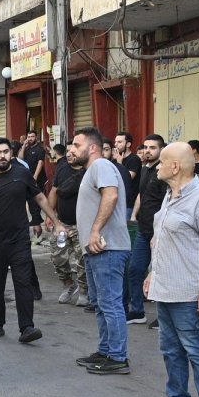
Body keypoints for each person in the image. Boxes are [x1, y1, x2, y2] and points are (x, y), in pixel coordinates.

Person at [142, 142, 199, 397]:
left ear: (175, 167)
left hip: (189, 293)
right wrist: (152, 273)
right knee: (170, 350)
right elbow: (162, 240)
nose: (157, 166)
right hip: (165, 288)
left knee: (198, 352)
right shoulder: (169, 195)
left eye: (162, 161)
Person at [0, 138, 59, 343]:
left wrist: (56, 221)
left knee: (23, 282)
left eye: (6, 152)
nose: (3, 156)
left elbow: (40, 198)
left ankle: (27, 327)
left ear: (11, 153)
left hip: (19, 239)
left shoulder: (22, 174)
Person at [73, 127, 133, 375]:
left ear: (93, 147)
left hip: (107, 248)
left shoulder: (101, 166)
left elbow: (111, 196)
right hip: (96, 250)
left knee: (110, 303)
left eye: (77, 145)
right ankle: (106, 350)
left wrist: (95, 231)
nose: (72, 150)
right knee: (100, 303)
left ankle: (118, 357)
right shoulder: (92, 171)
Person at [127, 134, 166, 326]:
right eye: (146, 147)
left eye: (153, 148)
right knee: (135, 270)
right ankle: (137, 311)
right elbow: (142, 197)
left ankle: (165, 318)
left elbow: (168, 203)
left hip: (161, 233)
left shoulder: (163, 173)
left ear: (161, 150)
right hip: (143, 230)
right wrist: (134, 215)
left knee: (161, 274)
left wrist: (160, 230)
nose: (148, 151)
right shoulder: (145, 169)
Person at [50, 141, 87, 307]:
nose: (70, 155)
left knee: (83, 260)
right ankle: (68, 285)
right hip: (62, 224)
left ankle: (84, 291)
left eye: (74, 152)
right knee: (58, 257)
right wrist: (50, 215)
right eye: (69, 152)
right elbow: (54, 191)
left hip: (82, 225)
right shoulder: (62, 168)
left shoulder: (89, 171)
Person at [114, 131, 142, 209]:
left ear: (128, 144)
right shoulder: (115, 159)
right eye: (115, 142)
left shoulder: (134, 159)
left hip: (128, 204)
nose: (116, 144)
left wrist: (119, 163)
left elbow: (128, 179)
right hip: (117, 203)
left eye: (119, 142)